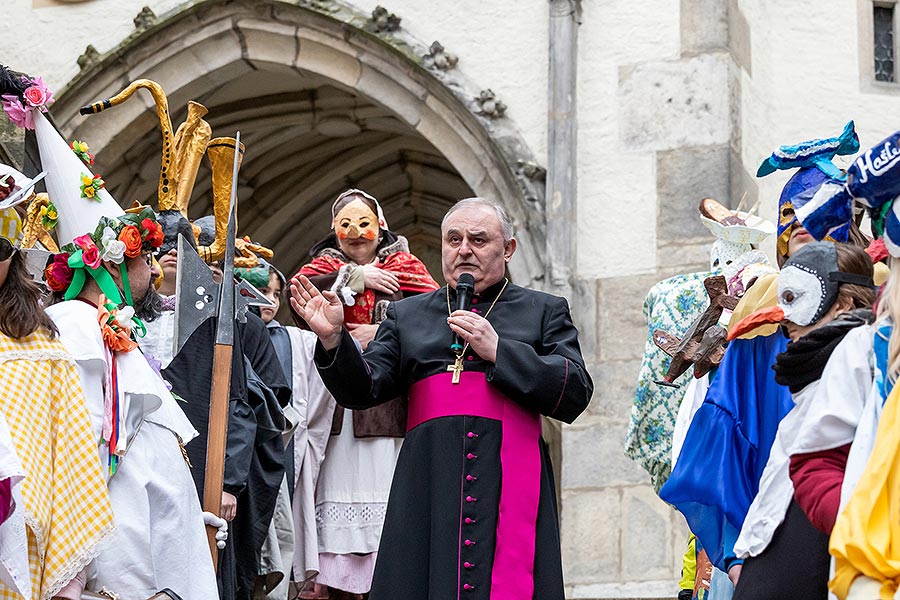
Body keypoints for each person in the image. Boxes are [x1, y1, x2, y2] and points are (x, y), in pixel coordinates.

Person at [290, 197, 592, 599]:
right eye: (453, 239)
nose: (464, 249)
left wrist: (500, 350)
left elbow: (575, 391)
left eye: (479, 239)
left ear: (508, 249)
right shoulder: (407, 315)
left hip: (509, 478)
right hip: (427, 483)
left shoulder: (544, 311)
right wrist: (334, 340)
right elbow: (364, 389)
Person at [22, 102, 221, 599]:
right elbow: (83, 461)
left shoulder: (112, 332)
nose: (156, 272)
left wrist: (183, 514)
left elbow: (142, 457)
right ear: (109, 267)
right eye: (147, 259)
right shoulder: (73, 328)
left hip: (154, 544)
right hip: (118, 560)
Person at [290, 189, 438, 599]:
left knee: (385, 492)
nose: (356, 234)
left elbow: (433, 311)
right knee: (336, 480)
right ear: (334, 231)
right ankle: (334, 581)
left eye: (363, 223)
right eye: (345, 225)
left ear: (381, 226)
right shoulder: (324, 266)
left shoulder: (404, 265)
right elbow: (298, 291)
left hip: (386, 399)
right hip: (333, 400)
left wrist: (385, 327)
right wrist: (355, 278)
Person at [724, 243, 876, 600]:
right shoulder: (807, 387)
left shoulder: (870, 367)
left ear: (843, 303)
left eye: (797, 298)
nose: (785, 318)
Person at [0, 194, 115, 600]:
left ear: (13, 257)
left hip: (15, 543)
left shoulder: (39, 344)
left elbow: (70, 456)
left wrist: (68, 583)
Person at [235, 259, 337, 598]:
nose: (271, 300)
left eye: (276, 293)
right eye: (263, 290)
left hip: (279, 450)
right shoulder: (231, 329)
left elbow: (319, 396)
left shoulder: (295, 340)